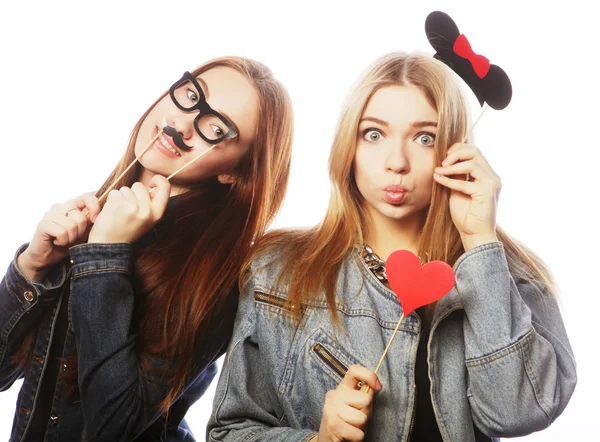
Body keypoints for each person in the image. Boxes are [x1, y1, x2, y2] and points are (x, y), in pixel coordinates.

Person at [207, 52, 577, 442]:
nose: (397, 162)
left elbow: (518, 414)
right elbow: (227, 432)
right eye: (374, 134)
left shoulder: (510, 275)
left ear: (455, 150)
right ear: (348, 147)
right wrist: (318, 440)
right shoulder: (278, 270)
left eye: (424, 138)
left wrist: (480, 242)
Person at [0, 55, 293, 441]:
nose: (183, 123)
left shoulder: (217, 278)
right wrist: (30, 269)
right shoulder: (96, 216)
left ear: (234, 171)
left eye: (216, 127)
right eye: (192, 94)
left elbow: (114, 429)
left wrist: (105, 255)